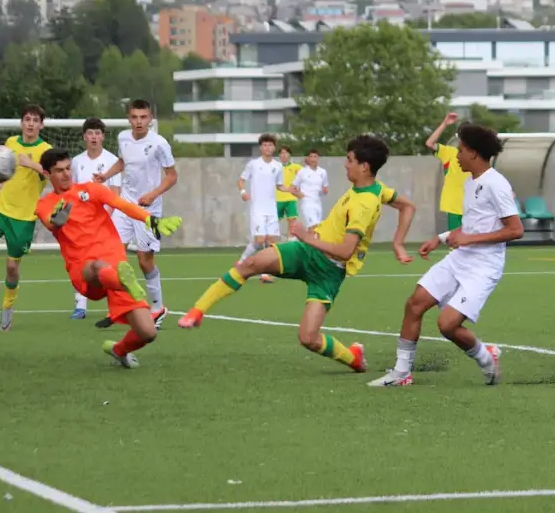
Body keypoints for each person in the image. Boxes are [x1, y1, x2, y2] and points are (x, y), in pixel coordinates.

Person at [178, 135, 417, 374]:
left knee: (308, 338)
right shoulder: (377, 189)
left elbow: (346, 251)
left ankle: (353, 358)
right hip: (307, 252)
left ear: (364, 166)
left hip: (329, 271)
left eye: (349, 160)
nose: (345, 164)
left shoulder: (364, 204)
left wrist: (306, 236)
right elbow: (408, 206)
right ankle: (197, 311)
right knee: (249, 264)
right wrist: (398, 243)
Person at [370, 124, 523, 387]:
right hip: (461, 257)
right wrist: (439, 239)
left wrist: (468, 239)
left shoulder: (496, 184)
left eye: (460, 150)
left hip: (484, 266)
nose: (457, 155)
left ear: (474, 153)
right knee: (415, 303)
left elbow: (515, 230)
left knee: (448, 325)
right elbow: (474, 224)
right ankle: (401, 373)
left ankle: (487, 358)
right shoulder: (469, 181)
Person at [36, 148, 181, 368]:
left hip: (117, 266)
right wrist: (59, 219)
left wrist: (151, 220)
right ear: (47, 174)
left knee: (147, 332)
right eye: (59, 171)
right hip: (85, 272)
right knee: (96, 266)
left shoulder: (90, 190)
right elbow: (51, 222)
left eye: (68, 168)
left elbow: (121, 204)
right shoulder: (45, 204)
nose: (66, 174)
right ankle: (124, 282)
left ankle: (118, 350)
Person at [92, 100, 177, 330]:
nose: (139, 121)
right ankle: (119, 308)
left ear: (150, 119)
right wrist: (105, 176)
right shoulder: (122, 138)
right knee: (113, 257)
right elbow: (122, 162)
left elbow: (171, 176)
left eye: (143, 117)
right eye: (134, 117)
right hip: (125, 205)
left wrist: (153, 194)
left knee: (144, 260)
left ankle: (158, 308)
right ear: (129, 119)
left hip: (148, 210)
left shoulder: (159, 144)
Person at [0, 104, 53, 331]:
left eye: (35, 120)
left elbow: (51, 173)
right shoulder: (10, 143)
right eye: (27, 119)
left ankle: (7, 307)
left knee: (11, 267)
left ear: (41, 125)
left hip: (24, 217)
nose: (30, 124)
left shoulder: (46, 150)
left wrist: (32, 164)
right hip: (0, 210)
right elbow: (7, 172)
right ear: (21, 122)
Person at [69, 118, 121, 319]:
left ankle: (114, 307)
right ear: (84, 137)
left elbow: (115, 191)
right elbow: (72, 191)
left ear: (103, 137)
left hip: (106, 221)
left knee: (107, 264)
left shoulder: (112, 161)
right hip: (81, 221)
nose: (94, 137)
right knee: (81, 261)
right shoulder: (76, 161)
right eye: (90, 133)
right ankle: (80, 306)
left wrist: (105, 217)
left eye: (98, 133)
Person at [237, 133, 301, 284]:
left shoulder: (277, 166)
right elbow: (240, 180)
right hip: (257, 207)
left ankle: (264, 273)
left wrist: (290, 190)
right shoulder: (253, 164)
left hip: (271, 208)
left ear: (274, 148)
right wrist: (243, 192)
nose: (267, 148)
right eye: (265, 145)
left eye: (270, 145)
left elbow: (279, 186)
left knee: (271, 242)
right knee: (259, 241)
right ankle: (241, 261)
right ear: (261, 147)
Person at [425, 112, 471, 231]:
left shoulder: (479, 155)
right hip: (454, 206)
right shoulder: (450, 153)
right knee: (456, 243)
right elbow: (430, 143)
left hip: (475, 206)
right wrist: (445, 124)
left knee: (475, 243)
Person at [291, 149, 329, 230]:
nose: (313, 159)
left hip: (318, 204)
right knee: (313, 227)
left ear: (318, 158)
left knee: (317, 229)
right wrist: (300, 195)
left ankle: (307, 241)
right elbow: (292, 187)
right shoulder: (302, 172)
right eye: (311, 157)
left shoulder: (323, 172)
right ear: (308, 158)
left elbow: (325, 188)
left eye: (315, 157)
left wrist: (324, 191)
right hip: (307, 204)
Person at [275, 145, 303, 242]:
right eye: (281, 153)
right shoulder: (275, 167)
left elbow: (306, 176)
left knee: (292, 221)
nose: (284, 155)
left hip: (291, 199)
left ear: (289, 154)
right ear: (279, 155)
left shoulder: (296, 167)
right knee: (274, 222)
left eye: (286, 152)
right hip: (278, 199)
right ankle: (273, 243)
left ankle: (290, 243)